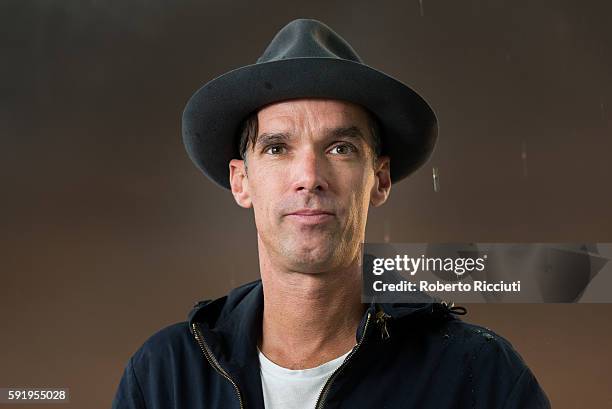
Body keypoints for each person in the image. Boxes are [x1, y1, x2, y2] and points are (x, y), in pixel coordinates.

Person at [112, 19, 550, 409]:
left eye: (340, 148)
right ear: (240, 181)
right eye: (277, 148)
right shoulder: (163, 377)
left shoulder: (478, 376)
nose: (309, 177)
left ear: (379, 179)